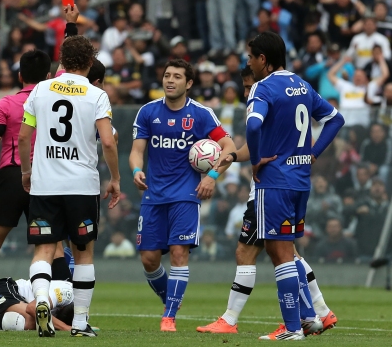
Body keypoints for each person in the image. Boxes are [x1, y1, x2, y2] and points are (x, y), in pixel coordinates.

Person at [197, 66, 339, 335]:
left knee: (269, 253)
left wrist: (218, 171)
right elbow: (249, 150)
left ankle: (236, 319)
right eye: (244, 87)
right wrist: (221, 164)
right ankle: (318, 311)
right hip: (287, 184)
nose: (247, 91)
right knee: (286, 253)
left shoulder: (265, 100)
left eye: (249, 85)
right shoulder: (283, 98)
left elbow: (254, 147)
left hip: (268, 189)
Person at [19, 35, 121, 337]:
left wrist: (26, 171)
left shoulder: (40, 89)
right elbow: (107, 141)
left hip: (45, 184)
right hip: (81, 187)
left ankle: (40, 302)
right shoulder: (97, 95)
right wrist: (115, 179)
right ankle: (79, 324)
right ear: (90, 63)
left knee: (44, 250)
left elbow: (24, 137)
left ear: (61, 60)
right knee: (83, 254)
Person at [245, 31, 345, 340]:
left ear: (264, 59)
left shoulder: (263, 87)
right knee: (287, 251)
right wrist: (313, 153)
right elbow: (335, 119)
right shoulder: (302, 86)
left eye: (250, 57)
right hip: (300, 181)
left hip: (274, 180)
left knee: (280, 254)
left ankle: (292, 329)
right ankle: (308, 317)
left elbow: (253, 124)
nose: (248, 63)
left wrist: (257, 158)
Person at [129, 58, 237, 332]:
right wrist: (136, 170)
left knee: (179, 253)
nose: (170, 80)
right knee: (149, 260)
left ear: (188, 84)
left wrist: (212, 176)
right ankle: (172, 301)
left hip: (186, 195)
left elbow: (228, 146)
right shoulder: (147, 112)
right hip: (153, 196)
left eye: (177, 76)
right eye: (167, 75)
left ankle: (169, 317)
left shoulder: (201, 114)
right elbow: (137, 150)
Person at [0, 50, 74, 304]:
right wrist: (69, 26)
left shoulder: (6, 104)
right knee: (55, 249)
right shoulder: (55, 99)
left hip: (11, 176)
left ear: (19, 75)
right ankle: (66, 309)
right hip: (45, 178)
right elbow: (68, 62)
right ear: (49, 76)